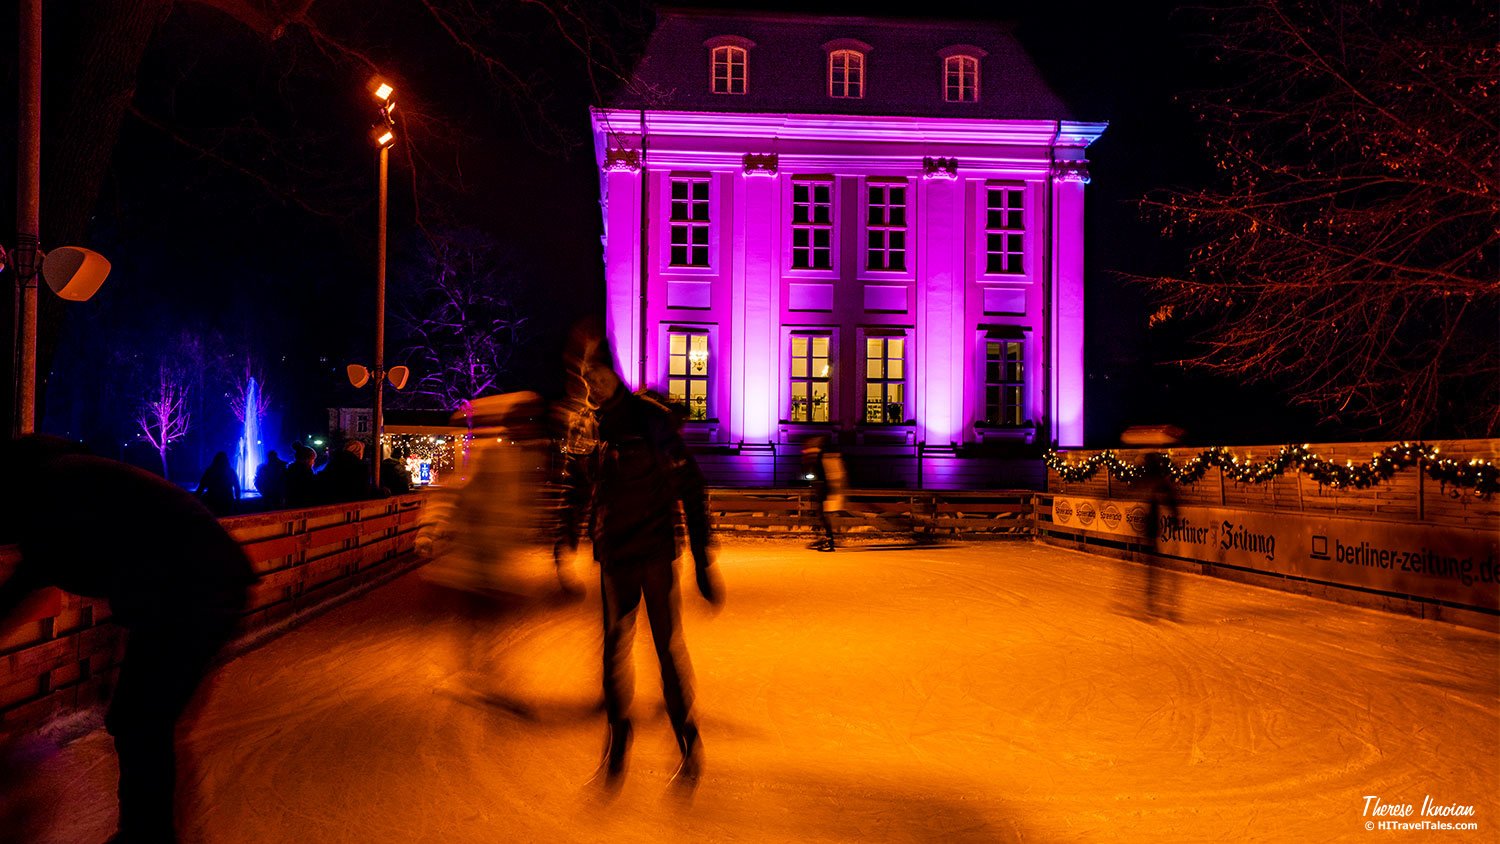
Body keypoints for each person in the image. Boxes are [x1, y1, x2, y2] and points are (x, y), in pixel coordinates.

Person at [0, 436, 256, 843]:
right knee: (138, 719)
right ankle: (147, 830)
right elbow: (100, 556)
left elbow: (41, 566)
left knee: (141, 721)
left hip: (193, 591)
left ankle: (147, 834)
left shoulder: (55, 486)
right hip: (198, 585)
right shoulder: (78, 476)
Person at [585, 358, 722, 793]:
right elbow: (593, 488)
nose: (591, 384)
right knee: (614, 650)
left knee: (665, 647)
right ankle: (618, 738)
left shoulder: (652, 423)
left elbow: (692, 489)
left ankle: (688, 740)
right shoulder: (597, 426)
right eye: (586, 378)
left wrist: (703, 561)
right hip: (618, 556)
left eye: (598, 377)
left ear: (615, 378)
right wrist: (586, 533)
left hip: (655, 553)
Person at [801, 436, 845, 552]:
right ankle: (827, 538)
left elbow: (825, 475)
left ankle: (828, 540)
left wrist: (823, 489)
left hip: (824, 491)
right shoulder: (822, 456)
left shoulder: (822, 457)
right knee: (822, 516)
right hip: (824, 490)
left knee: (823, 516)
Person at [319, 439, 379, 503]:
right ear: (359, 451)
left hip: (331, 501)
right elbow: (363, 489)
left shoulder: (334, 462)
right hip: (351, 503)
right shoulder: (360, 466)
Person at [194, 451, 240, 517]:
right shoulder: (230, 472)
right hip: (227, 500)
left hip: (213, 499)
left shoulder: (210, 471)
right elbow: (237, 486)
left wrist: (195, 498)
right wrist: (237, 500)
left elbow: (201, 486)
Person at [284, 443, 319, 508]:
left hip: (290, 504)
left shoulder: (290, 470)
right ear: (307, 459)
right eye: (313, 459)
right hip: (302, 505)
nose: (313, 462)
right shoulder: (306, 472)